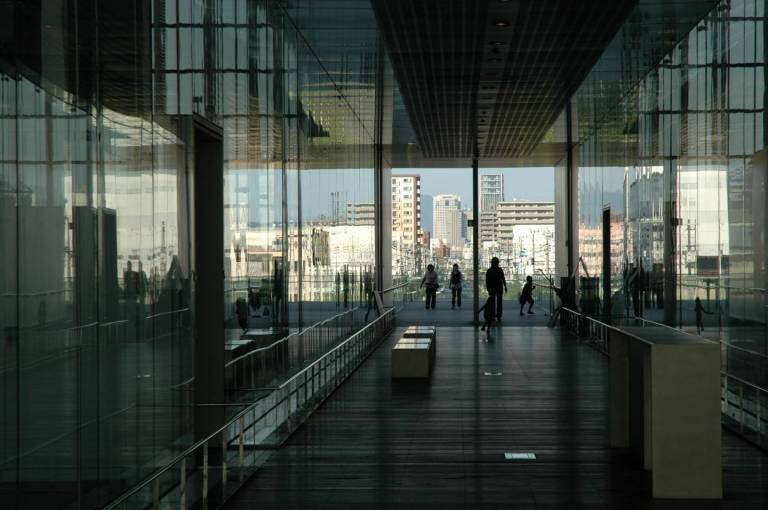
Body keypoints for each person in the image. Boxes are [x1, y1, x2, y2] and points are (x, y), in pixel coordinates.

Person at [485, 257, 507, 321]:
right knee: (499, 302)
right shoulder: (500, 270)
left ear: (491, 263)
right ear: (497, 263)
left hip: (492, 288)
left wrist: (488, 289)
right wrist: (505, 286)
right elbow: (503, 278)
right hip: (499, 288)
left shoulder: (489, 270)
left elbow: (487, 281)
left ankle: (493, 316)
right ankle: (499, 316)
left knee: (492, 303)